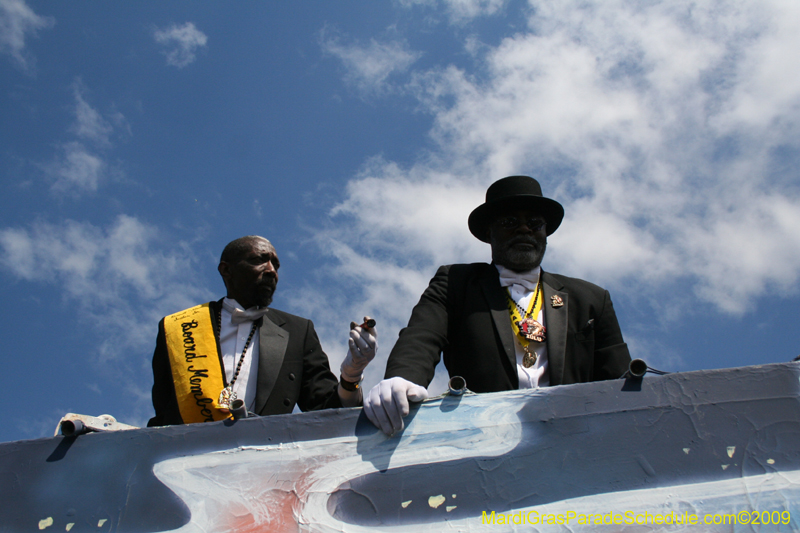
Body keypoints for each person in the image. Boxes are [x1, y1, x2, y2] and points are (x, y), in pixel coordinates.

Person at [364, 176, 631, 435]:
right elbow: (423, 336)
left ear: (546, 232)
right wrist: (402, 378)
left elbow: (622, 382)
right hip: (481, 439)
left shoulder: (591, 299)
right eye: (510, 221)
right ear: (489, 233)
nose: (524, 229)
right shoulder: (456, 283)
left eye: (535, 223)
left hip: (574, 440)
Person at [148, 235, 376, 426]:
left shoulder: (298, 331)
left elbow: (328, 413)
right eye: (259, 260)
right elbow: (164, 413)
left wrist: (352, 375)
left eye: (275, 265)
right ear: (226, 270)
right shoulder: (178, 327)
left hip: (262, 465)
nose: (271, 270)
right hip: (186, 461)